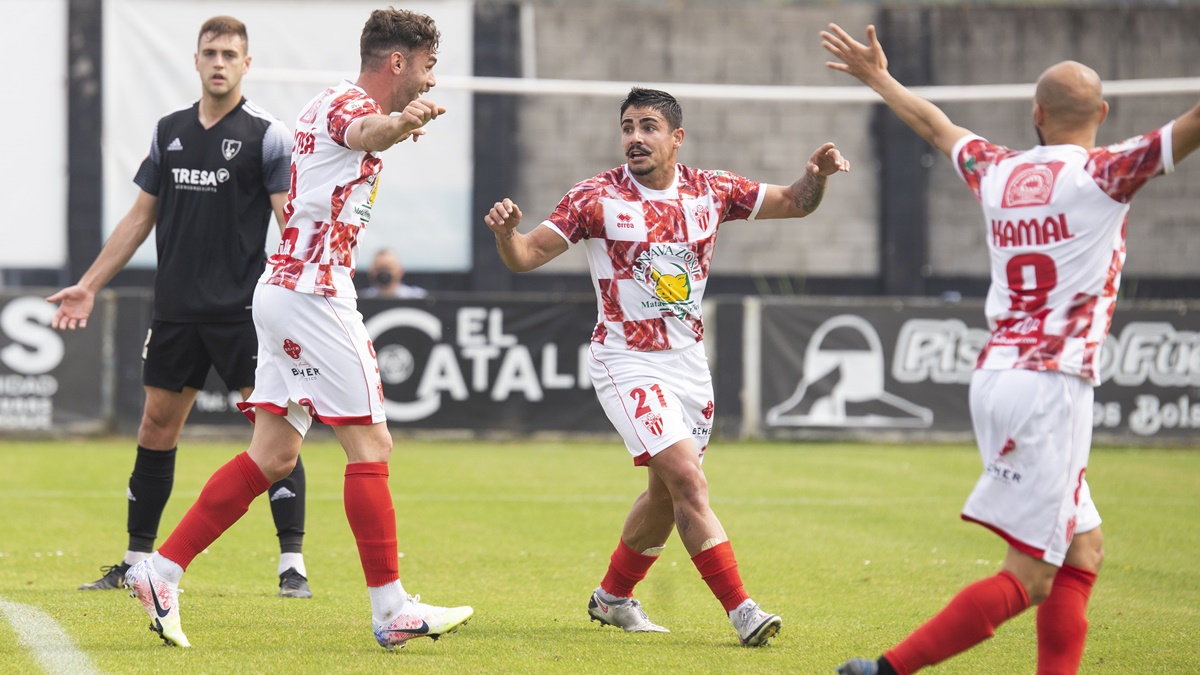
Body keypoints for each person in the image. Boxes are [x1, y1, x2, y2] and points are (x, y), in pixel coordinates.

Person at [822, 23, 1200, 675]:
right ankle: (885, 671)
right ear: (1102, 115)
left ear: (1036, 113)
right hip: (1053, 386)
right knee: (1030, 577)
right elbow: (1189, 127)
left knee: (1084, 550)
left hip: (999, 373)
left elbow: (937, 126)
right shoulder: (1107, 174)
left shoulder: (998, 170)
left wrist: (877, 77)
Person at [119, 8, 473, 649]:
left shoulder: (324, 104)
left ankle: (160, 570)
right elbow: (365, 130)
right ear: (397, 62)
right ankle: (391, 609)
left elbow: (366, 137)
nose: (429, 80)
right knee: (373, 446)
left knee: (274, 454)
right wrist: (397, 124)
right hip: (315, 294)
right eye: (425, 67)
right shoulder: (348, 103)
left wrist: (396, 125)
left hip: (282, 289)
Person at [484, 87, 850, 647]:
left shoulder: (713, 189)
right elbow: (528, 256)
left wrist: (817, 175)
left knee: (663, 495)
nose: (635, 137)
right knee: (687, 479)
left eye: (648, 126)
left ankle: (612, 598)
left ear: (676, 137)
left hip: (687, 365)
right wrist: (507, 234)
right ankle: (743, 610)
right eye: (627, 126)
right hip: (625, 359)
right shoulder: (594, 198)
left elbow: (796, 202)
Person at [48, 16, 313, 600]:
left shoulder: (269, 135)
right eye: (210, 53)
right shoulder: (168, 130)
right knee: (156, 427)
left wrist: (303, 300)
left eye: (230, 54)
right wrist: (88, 284)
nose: (219, 62)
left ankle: (291, 564)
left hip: (245, 313)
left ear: (247, 64)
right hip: (175, 311)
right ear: (195, 61)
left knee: (274, 432)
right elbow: (139, 219)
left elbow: (289, 222)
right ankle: (135, 560)